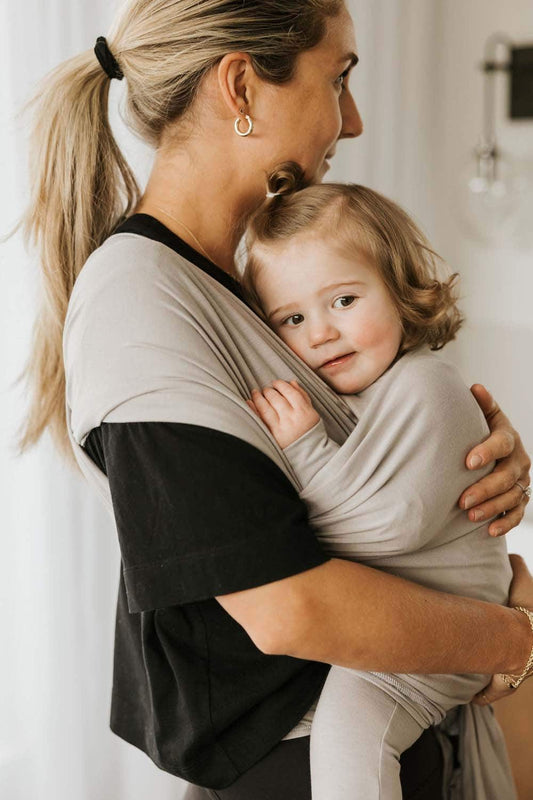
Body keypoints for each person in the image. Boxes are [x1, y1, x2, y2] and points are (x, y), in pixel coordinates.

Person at [18, 1, 532, 798]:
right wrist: (509, 638)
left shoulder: (250, 286)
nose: (352, 121)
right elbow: (286, 607)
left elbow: (359, 465)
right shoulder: (141, 299)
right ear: (241, 87)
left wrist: (461, 458)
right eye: (339, 79)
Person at [241, 174, 523, 798]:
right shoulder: (358, 398)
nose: (320, 332)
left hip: (447, 624)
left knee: (350, 735)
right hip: (402, 624)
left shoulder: (431, 387)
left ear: (399, 291)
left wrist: (302, 453)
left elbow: (385, 525)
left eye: (343, 300)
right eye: (291, 317)